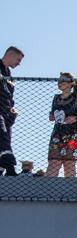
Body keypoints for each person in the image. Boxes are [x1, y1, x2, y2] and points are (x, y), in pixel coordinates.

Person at [46, 73, 77, 178]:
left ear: (70, 84)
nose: (60, 83)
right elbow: (52, 113)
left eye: (63, 80)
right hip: (58, 134)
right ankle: (48, 190)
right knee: (53, 162)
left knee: (69, 164)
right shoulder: (56, 98)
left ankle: (69, 192)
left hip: (74, 134)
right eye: (59, 80)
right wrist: (52, 116)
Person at [0, 46, 24, 177]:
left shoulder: (9, 75)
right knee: (2, 138)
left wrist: (12, 108)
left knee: (6, 140)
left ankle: (2, 170)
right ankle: (10, 168)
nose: (19, 63)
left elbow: (9, 95)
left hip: (6, 112)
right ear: (10, 54)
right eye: (18, 59)